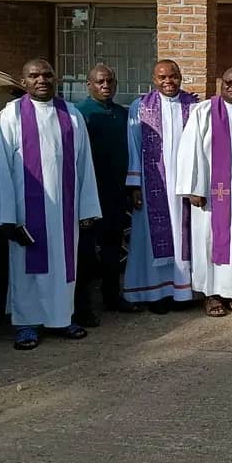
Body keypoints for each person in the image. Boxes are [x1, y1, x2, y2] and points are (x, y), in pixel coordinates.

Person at [0, 58, 101, 350]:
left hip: (65, 208)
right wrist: (6, 217)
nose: (41, 80)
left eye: (47, 75)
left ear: (56, 78)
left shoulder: (72, 115)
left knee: (64, 267)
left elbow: (84, 164)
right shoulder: (10, 116)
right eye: (34, 76)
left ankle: (62, 318)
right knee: (28, 268)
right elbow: (0, 168)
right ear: (23, 82)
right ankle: (26, 324)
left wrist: (87, 208)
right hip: (27, 210)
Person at [177, 67, 232, 317]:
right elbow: (190, 149)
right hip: (211, 195)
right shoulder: (203, 112)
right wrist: (193, 188)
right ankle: (211, 294)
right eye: (229, 82)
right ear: (220, 85)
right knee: (209, 242)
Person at [122, 60, 199, 314]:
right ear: (154, 79)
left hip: (186, 186)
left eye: (173, 76)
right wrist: (134, 184)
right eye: (162, 77)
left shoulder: (194, 106)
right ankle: (156, 293)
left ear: (181, 77)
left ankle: (183, 292)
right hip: (152, 184)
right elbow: (133, 146)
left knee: (186, 237)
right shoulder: (140, 106)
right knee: (149, 240)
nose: (168, 81)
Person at [74, 63, 138, 326]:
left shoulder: (122, 114)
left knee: (114, 248)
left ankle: (113, 296)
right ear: (89, 84)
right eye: (100, 82)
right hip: (90, 193)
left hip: (115, 193)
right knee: (87, 253)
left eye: (110, 81)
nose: (106, 86)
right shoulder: (80, 114)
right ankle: (83, 307)